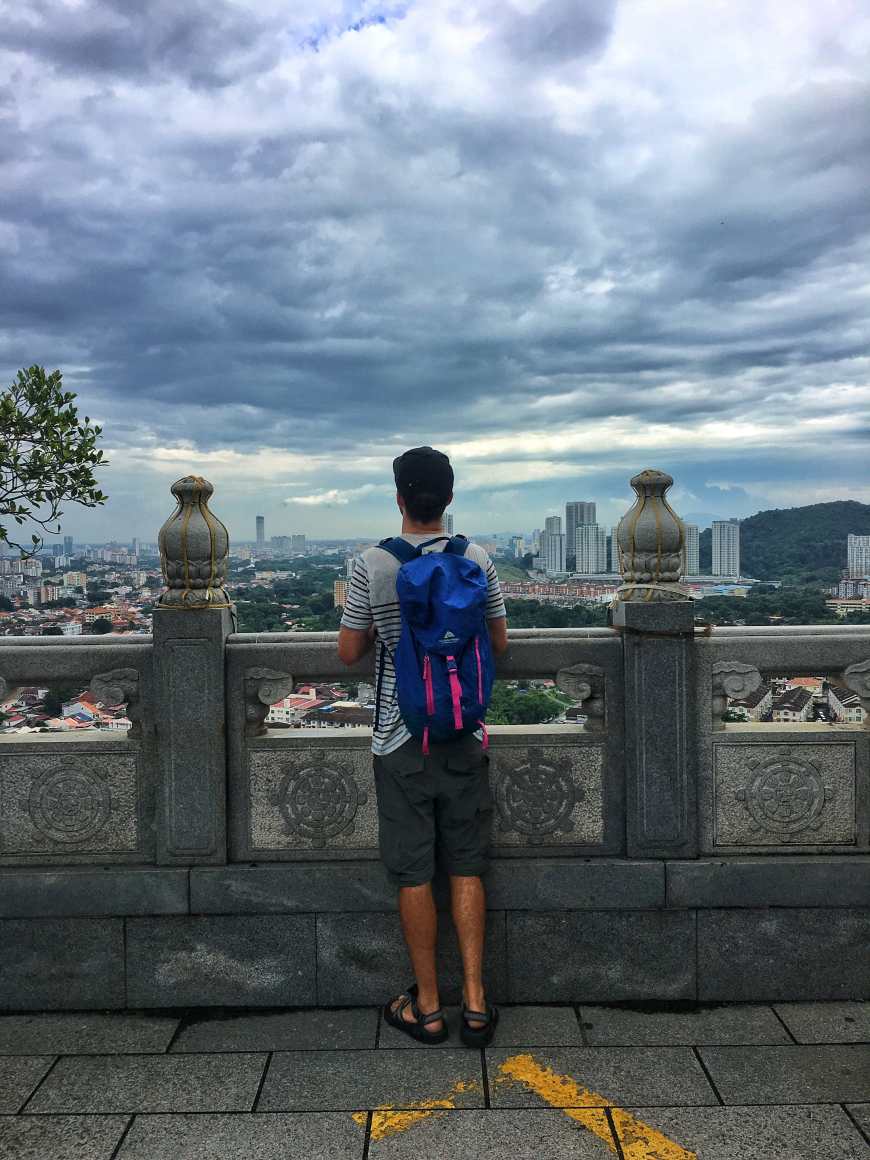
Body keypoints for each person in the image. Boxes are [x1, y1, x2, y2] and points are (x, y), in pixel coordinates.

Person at [337, 446, 508, 1046]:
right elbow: (499, 643)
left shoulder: (372, 564)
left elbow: (350, 652)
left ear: (400, 499)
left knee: (413, 874)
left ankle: (429, 1007)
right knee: (465, 866)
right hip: (463, 731)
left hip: (401, 738)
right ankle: (479, 1004)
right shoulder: (478, 558)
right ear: (450, 499)